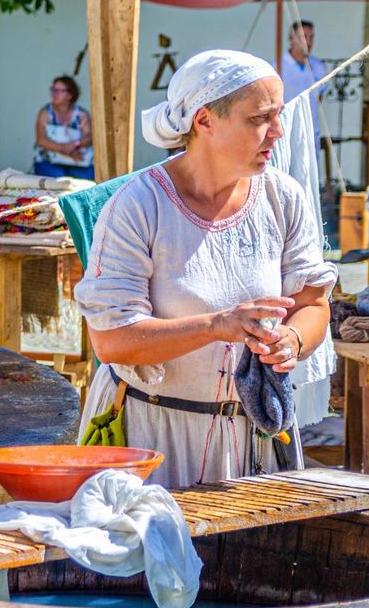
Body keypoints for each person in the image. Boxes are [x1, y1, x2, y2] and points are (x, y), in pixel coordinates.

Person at [74, 50, 336, 488]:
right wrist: (217, 325)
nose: (278, 132)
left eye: (278, 115)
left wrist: (292, 339)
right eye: (259, 118)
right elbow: (113, 340)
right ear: (204, 121)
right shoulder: (139, 206)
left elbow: (313, 304)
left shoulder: (283, 198)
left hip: (253, 441)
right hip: (154, 437)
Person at [33, 75, 94, 179]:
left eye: (60, 90)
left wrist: (74, 145)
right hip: (50, 161)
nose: (54, 93)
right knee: (57, 179)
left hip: (77, 160)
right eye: (53, 89)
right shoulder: (45, 112)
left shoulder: (81, 114)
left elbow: (89, 137)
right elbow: (41, 140)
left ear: (70, 95)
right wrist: (65, 150)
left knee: (87, 179)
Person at [279, 21, 327, 137]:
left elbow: (319, 97)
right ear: (292, 39)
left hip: (311, 130)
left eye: (311, 37)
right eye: (304, 37)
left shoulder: (318, 66)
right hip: (286, 131)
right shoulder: (278, 67)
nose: (308, 42)